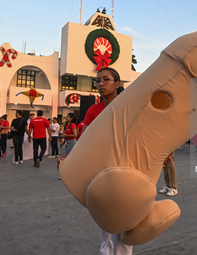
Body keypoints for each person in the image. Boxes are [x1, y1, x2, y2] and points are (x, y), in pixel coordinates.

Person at [58, 67, 131, 255]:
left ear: (117, 84)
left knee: (124, 215)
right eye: (97, 81)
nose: (100, 84)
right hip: (100, 168)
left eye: (105, 80)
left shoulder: (128, 106)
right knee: (105, 214)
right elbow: (85, 139)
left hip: (126, 166)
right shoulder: (93, 110)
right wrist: (71, 157)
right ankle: (106, 252)